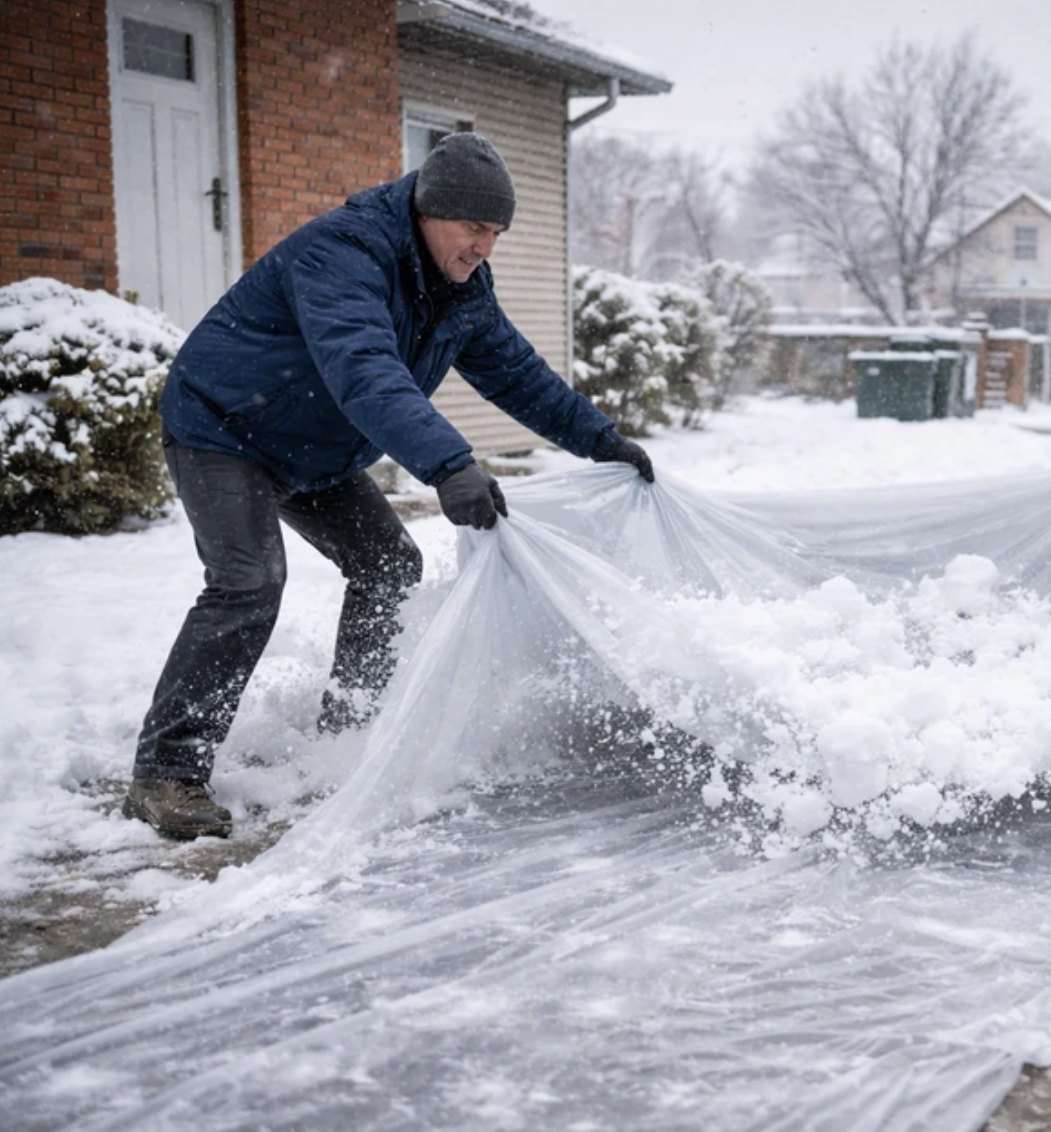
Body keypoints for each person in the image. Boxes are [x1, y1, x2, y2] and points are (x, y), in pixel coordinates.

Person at [126, 133, 655, 840]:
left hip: (315, 448)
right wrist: (447, 463)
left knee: (387, 566)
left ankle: (348, 734)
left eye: (495, 233)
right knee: (247, 582)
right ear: (429, 212)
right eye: (473, 229)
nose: (483, 248)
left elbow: (515, 371)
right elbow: (363, 367)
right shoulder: (342, 254)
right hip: (224, 429)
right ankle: (165, 773)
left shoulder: (461, 288)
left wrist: (600, 439)